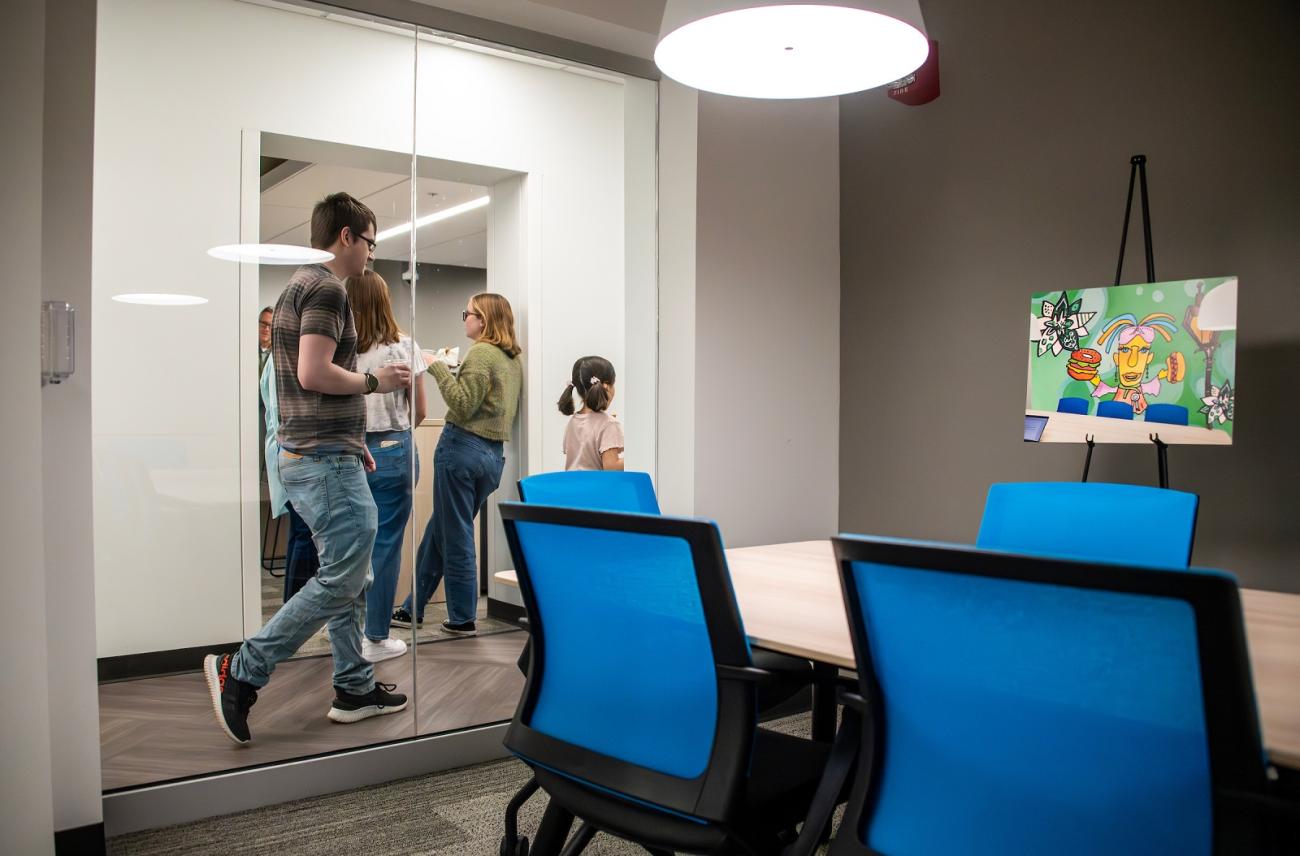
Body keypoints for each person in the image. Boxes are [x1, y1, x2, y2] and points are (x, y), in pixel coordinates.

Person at [204, 192, 412, 745]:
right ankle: (244, 669)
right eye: (370, 241)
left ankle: (353, 685)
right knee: (343, 578)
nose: (371, 253)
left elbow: (299, 384)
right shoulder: (325, 288)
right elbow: (315, 372)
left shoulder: (297, 285)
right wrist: (376, 382)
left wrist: (351, 440)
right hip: (322, 462)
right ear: (346, 237)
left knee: (346, 576)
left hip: (319, 452)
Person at [392, 293, 522, 636]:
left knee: (457, 535)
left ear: (484, 320)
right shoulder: (510, 360)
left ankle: (463, 617)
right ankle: (412, 609)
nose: (464, 318)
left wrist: (434, 366)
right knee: (442, 529)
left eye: (469, 313)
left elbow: (463, 405)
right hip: (491, 458)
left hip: (462, 449)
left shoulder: (481, 352)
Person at [346, 269, 426, 663]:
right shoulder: (405, 347)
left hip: (350, 451)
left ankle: (345, 632)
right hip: (394, 450)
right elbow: (421, 411)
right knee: (386, 546)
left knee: (349, 547)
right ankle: (375, 638)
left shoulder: (343, 351)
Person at [259, 346, 320, 602]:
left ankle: (294, 607)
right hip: (296, 452)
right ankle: (295, 607)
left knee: (301, 532)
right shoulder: (289, 354)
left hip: (291, 452)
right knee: (304, 533)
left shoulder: (283, 354)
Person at [557, 355, 624, 471]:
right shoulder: (609, 424)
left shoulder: (573, 422)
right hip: (596, 489)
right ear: (606, 386)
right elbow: (611, 467)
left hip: (572, 488)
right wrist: (636, 458)